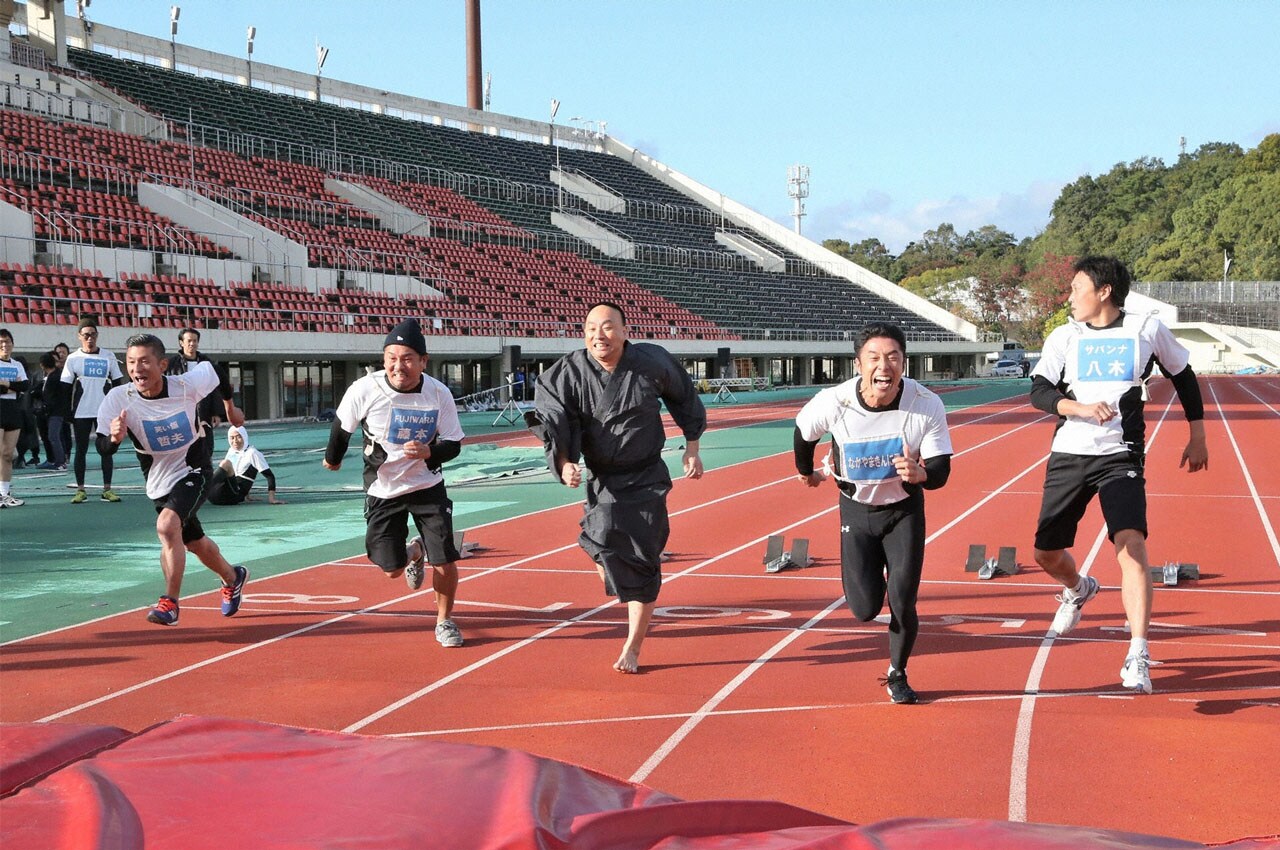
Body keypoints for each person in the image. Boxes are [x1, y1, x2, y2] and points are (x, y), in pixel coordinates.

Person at [1030, 256, 1208, 695]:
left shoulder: (1145, 329)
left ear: (1104, 291)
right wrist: (1079, 409)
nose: (1069, 297)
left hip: (1121, 455)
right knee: (1046, 554)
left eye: (1076, 288)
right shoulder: (1064, 336)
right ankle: (1078, 588)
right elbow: (1039, 391)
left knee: (1131, 545)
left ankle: (1138, 652)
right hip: (1069, 452)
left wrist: (1198, 435)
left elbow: (1183, 376)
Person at [530, 302, 706, 674]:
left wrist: (692, 447)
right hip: (602, 479)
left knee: (641, 563)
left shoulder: (651, 362)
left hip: (645, 479)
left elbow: (684, 396)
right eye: (591, 327)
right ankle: (618, 573)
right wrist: (563, 463)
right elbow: (552, 418)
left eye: (608, 327)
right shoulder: (569, 372)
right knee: (600, 547)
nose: (599, 335)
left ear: (625, 331)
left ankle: (633, 646)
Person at [793, 323, 953, 705]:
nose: (885, 366)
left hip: (903, 511)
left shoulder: (925, 403)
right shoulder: (835, 401)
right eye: (875, 357)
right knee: (865, 609)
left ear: (904, 362)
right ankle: (869, 582)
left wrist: (923, 474)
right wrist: (806, 473)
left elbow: (941, 471)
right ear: (858, 364)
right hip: (857, 510)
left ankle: (898, 673)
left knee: (902, 598)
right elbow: (803, 433)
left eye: (894, 357)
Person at [323, 318, 467, 648]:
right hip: (382, 488)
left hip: (427, 485)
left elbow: (454, 443)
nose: (397, 366)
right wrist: (333, 458)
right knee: (390, 569)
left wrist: (430, 450)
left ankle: (444, 621)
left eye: (406, 358)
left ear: (422, 361)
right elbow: (342, 428)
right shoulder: (365, 389)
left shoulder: (437, 393)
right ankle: (414, 552)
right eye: (391, 357)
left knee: (444, 557)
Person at [95, 333, 249, 626]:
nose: (137, 369)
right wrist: (114, 439)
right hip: (158, 478)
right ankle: (233, 577)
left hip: (194, 468)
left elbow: (215, 370)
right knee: (193, 542)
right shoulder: (119, 398)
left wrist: (230, 407)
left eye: (144, 361)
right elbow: (102, 447)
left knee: (167, 527)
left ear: (162, 364)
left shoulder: (186, 385)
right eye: (131, 362)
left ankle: (170, 602)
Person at [62, 318, 126, 502]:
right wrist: (68, 412)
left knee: (106, 450)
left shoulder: (108, 356)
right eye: (86, 335)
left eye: (93, 334)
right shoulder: (73, 358)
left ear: (97, 336)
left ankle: (107, 489)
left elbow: (117, 384)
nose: (90, 338)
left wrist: (117, 408)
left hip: (104, 412)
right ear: (80, 336)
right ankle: (80, 490)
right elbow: (66, 388)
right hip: (81, 412)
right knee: (80, 450)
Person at [165, 328, 244, 470]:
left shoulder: (207, 363)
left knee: (206, 447)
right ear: (181, 343)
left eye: (195, 341)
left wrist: (216, 412)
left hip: (203, 413)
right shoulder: (172, 365)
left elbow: (215, 389)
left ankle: (205, 476)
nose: (192, 344)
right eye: (189, 341)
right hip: (180, 415)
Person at [208, 424, 283, 506]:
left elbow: (269, 476)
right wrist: (248, 495)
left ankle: (203, 487)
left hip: (233, 497)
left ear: (244, 437)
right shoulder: (231, 451)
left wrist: (272, 499)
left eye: (238, 437)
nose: (235, 441)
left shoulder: (253, 453)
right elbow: (235, 475)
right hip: (215, 497)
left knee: (225, 463)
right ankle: (203, 489)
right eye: (232, 438)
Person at [0, 329, 30, 508]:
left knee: (8, 454)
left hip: (13, 410)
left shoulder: (17, 364)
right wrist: (13, 387)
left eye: (8, 341)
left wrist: (6, 384)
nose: (5, 345)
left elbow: (25, 385)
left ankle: (4, 493)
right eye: (1, 342)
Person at [42, 346, 72, 471]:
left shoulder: (54, 377)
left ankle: (60, 462)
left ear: (43, 365)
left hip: (55, 412)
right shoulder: (56, 375)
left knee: (54, 436)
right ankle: (60, 460)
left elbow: (50, 396)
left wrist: (45, 408)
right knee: (56, 436)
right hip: (57, 411)